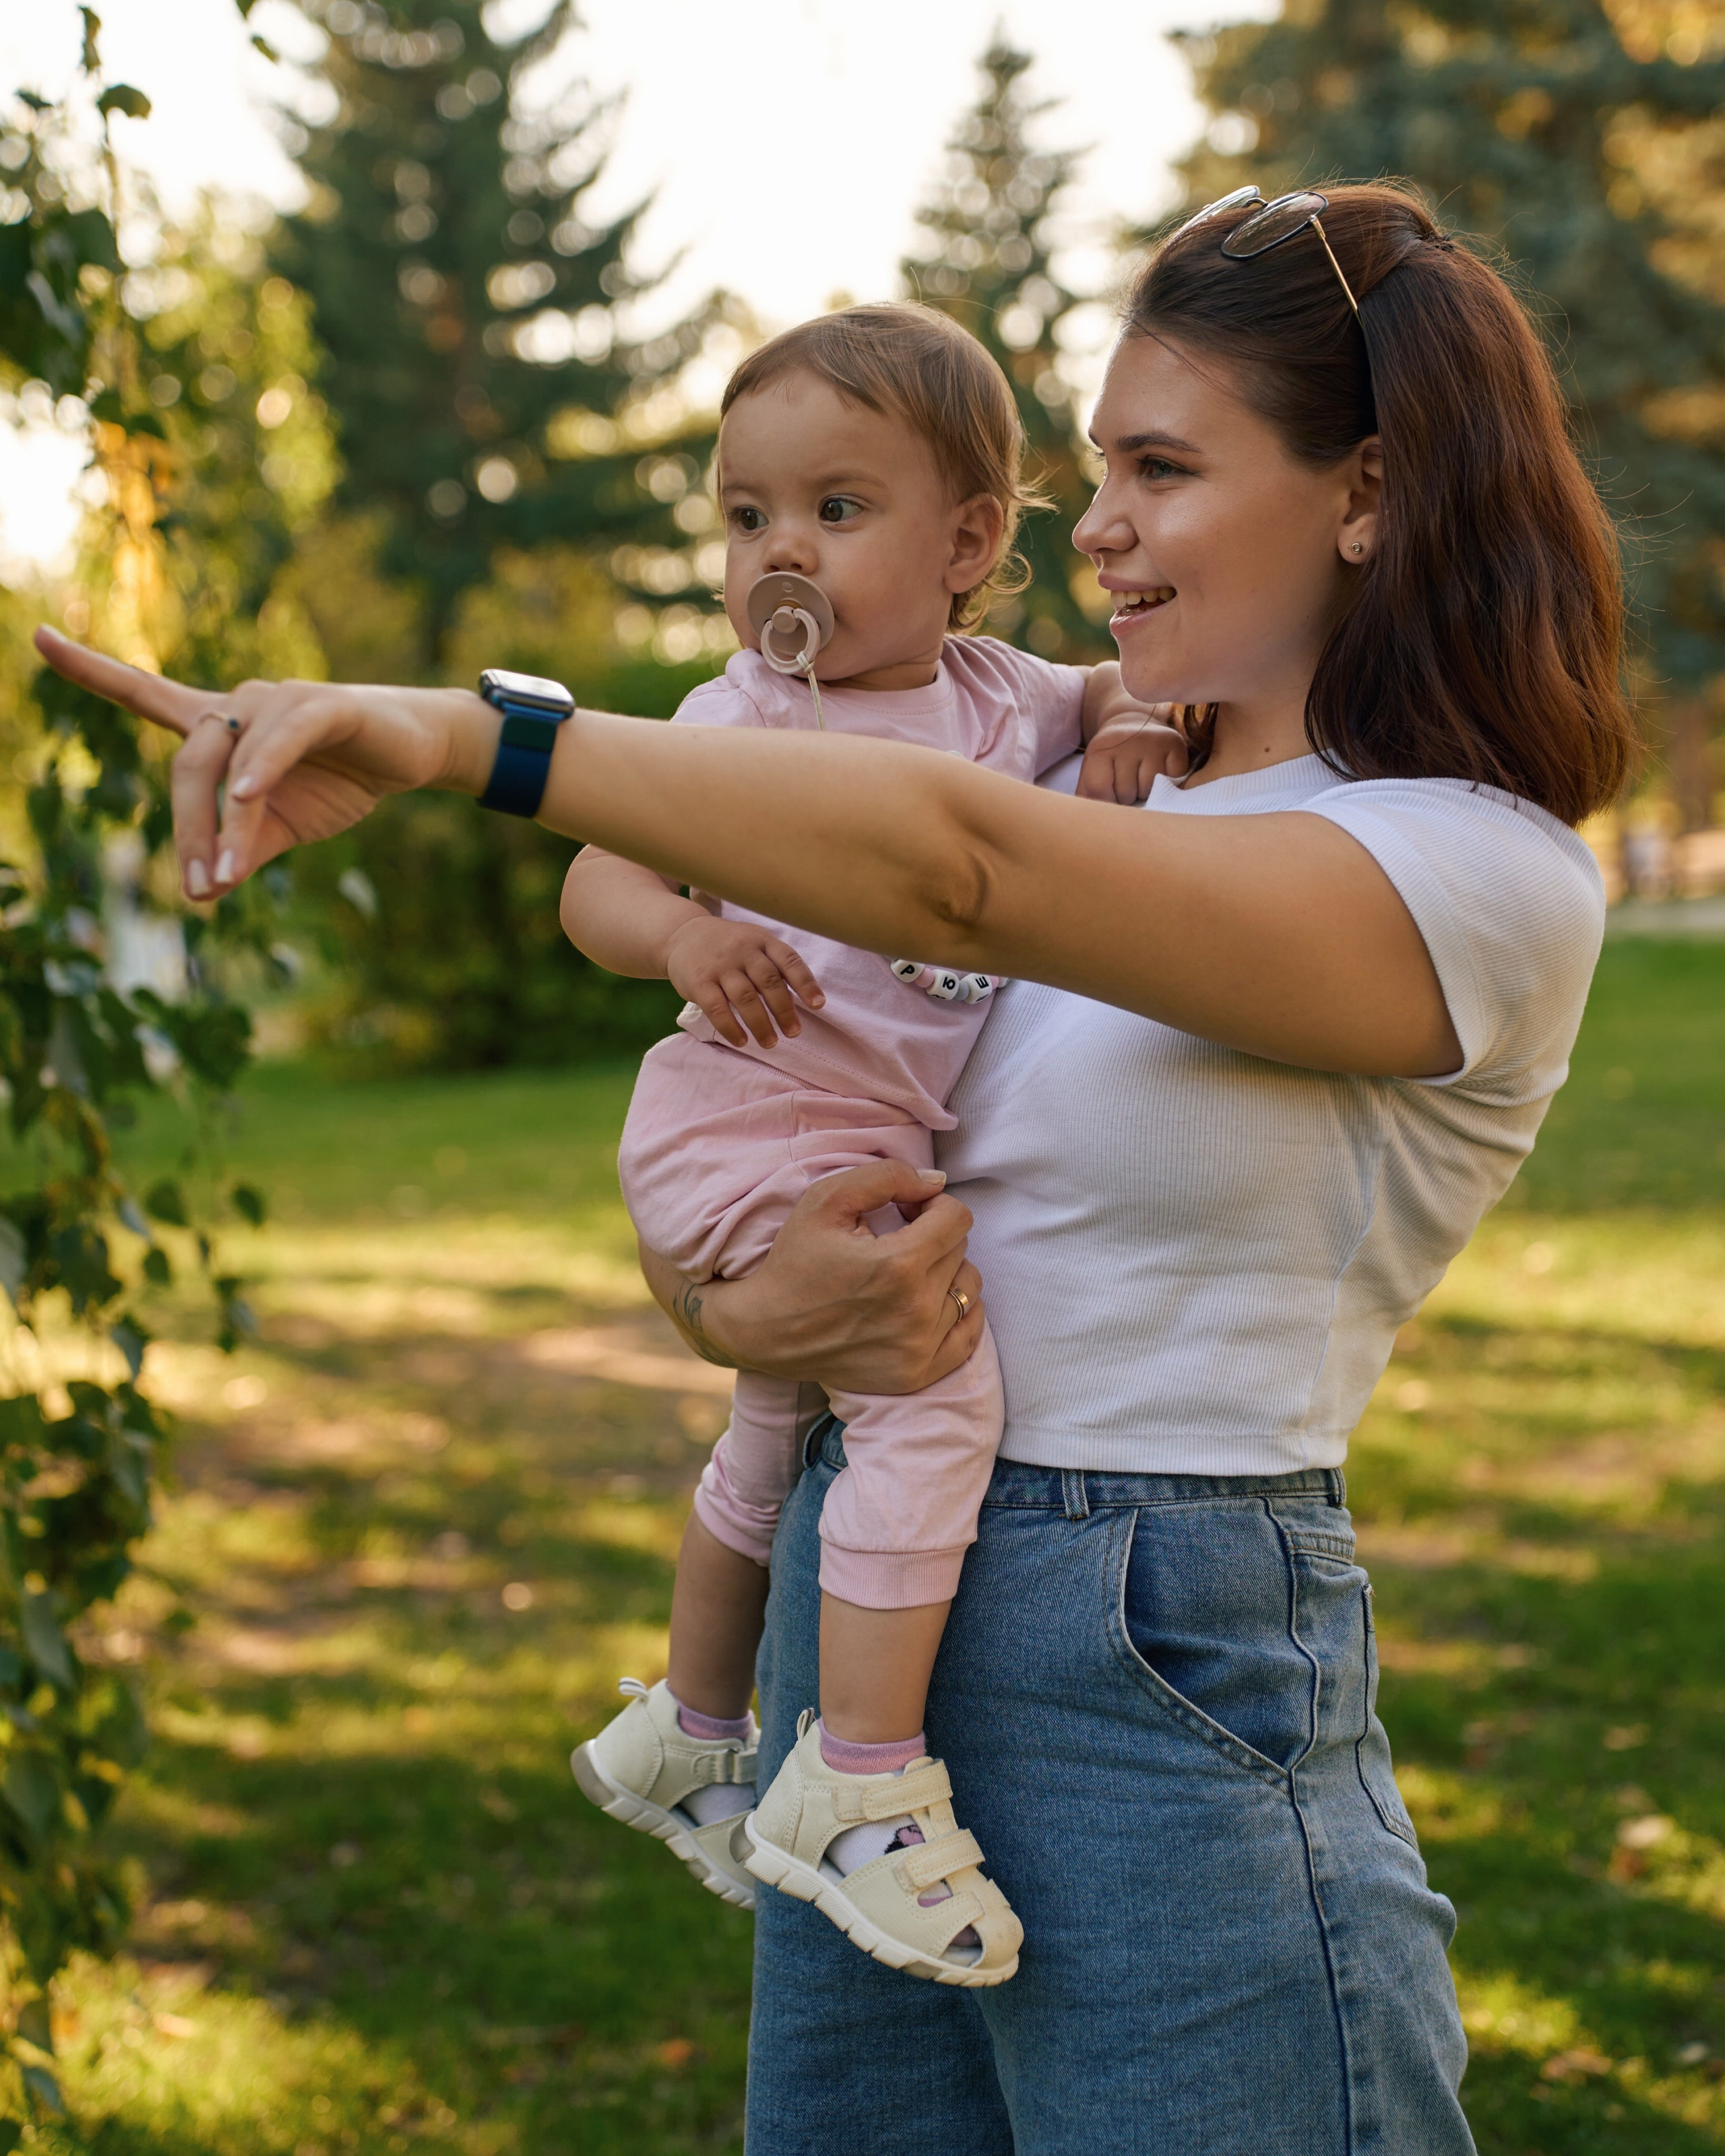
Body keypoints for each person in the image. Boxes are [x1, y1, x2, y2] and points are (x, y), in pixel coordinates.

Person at [37, 180, 1634, 2153]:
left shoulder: (1463, 867)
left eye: (1158, 468)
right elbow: (801, 1127)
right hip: (859, 1633)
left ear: (1366, 492)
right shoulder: (1088, 778)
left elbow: (950, 867)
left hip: (1150, 1650)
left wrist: (471, 743)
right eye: (1095, 468)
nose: (1094, 525)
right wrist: (737, 1306)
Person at [562, 305, 1188, 1984]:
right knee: (932, 1393)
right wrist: (684, 935)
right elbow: (594, 873)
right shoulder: (743, 722)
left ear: (966, 543)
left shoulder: (999, 700)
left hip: (844, 1137)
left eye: (834, 510)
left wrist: (1130, 721)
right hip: (745, 1122)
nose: (778, 550)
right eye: (745, 513)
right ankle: (856, 1780)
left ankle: (691, 1727)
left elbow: (1118, 682)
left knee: (777, 1427)